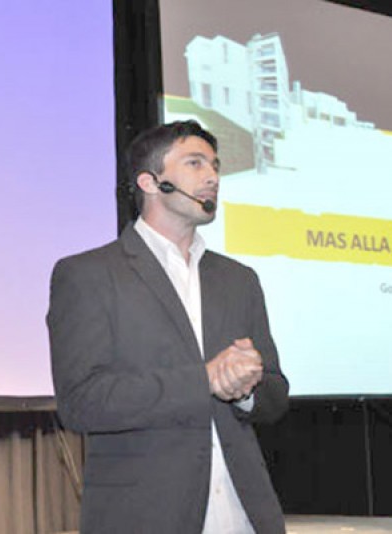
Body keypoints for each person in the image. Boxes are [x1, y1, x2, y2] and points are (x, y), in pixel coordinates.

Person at [47, 120, 288, 533]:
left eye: (215, 166)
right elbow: (82, 403)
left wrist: (246, 388)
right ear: (150, 182)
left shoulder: (239, 279)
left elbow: (276, 395)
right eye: (195, 163)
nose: (212, 177)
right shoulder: (88, 275)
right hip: (145, 517)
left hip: (245, 515)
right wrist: (205, 379)